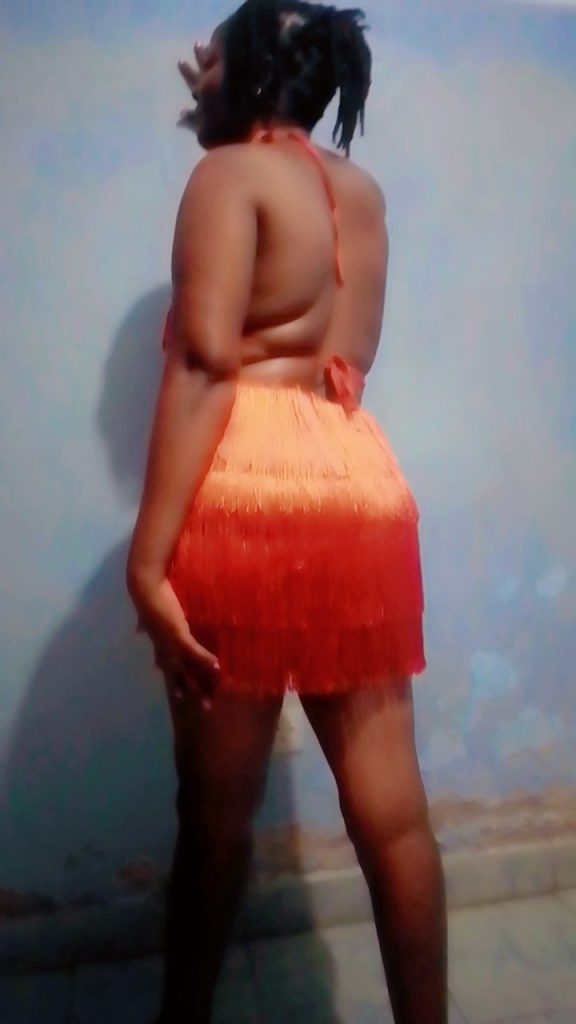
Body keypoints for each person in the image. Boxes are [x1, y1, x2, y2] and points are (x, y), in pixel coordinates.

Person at [125, 1, 447, 1021]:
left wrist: (147, 560)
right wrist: (228, 97)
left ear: (254, 75)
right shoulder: (360, 194)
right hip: (357, 478)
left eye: (213, 60)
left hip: (248, 489)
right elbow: (349, 358)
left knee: (216, 818)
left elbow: (204, 363)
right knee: (393, 815)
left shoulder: (228, 178)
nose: (198, 74)